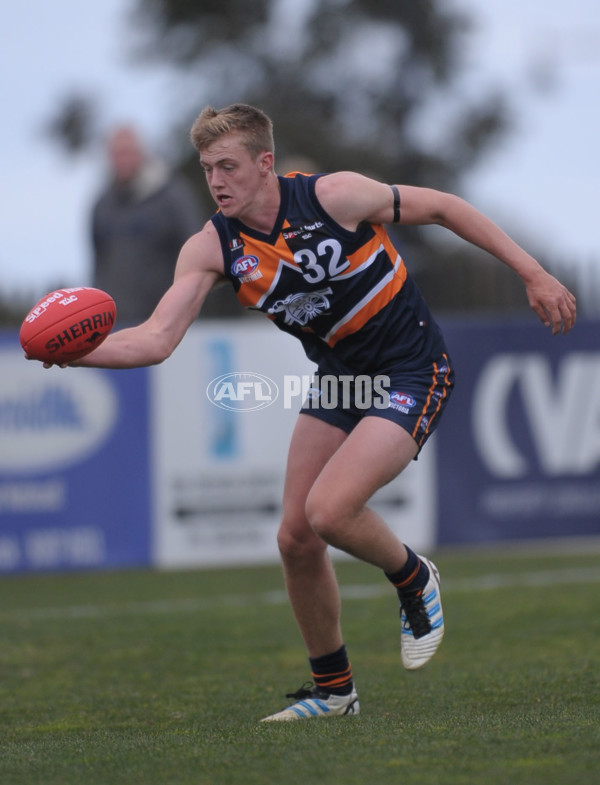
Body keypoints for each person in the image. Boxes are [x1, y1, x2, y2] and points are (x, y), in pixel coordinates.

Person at [43, 104, 576, 721]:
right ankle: (335, 693)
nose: (215, 181)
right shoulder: (211, 246)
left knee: (329, 512)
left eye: (228, 166)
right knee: (296, 537)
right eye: (207, 168)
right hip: (342, 381)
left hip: (412, 370)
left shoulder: (336, 196)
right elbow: (157, 339)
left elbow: (445, 208)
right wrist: (77, 353)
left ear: (265, 164)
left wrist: (534, 274)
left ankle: (412, 578)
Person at [91, 125, 203, 323]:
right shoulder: (102, 205)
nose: (122, 160)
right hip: (115, 320)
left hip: (166, 319)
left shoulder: (172, 196)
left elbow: (197, 250)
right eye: (116, 154)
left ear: (142, 154)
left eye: (127, 152)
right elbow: (98, 261)